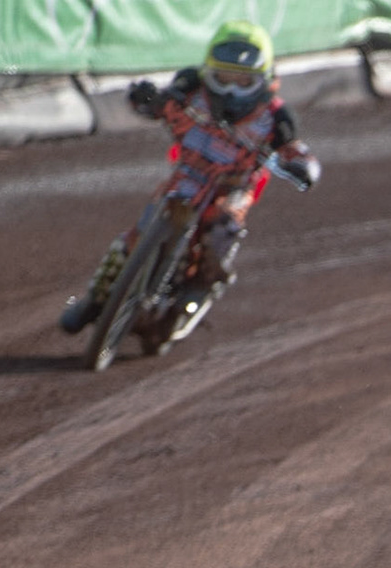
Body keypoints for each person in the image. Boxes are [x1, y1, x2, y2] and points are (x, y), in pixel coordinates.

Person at [58, 21, 321, 337]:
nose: (231, 88)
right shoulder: (190, 83)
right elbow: (158, 104)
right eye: (224, 76)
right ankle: (95, 299)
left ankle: (202, 287)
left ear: (261, 77)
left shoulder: (277, 116)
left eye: (241, 79)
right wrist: (146, 98)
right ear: (210, 69)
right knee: (135, 237)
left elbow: (296, 150)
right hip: (188, 173)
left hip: (232, 185)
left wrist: (303, 167)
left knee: (222, 227)